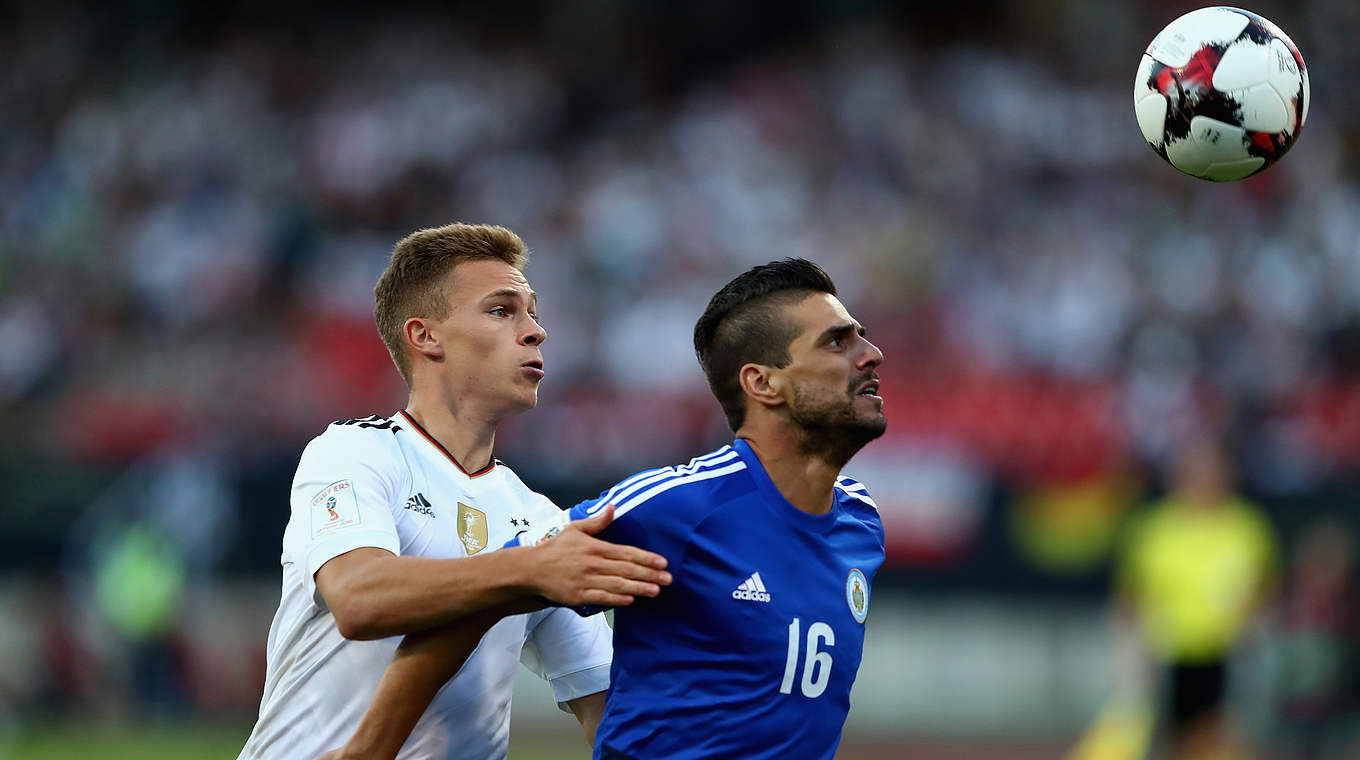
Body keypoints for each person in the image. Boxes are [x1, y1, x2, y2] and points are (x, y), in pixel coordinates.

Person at [326, 258, 888, 760]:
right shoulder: (677, 510)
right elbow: (480, 598)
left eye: (859, 337)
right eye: (837, 343)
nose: (872, 354)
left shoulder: (861, 522)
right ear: (763, 383)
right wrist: (370, 749)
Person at [238, 223, 672, 760]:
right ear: (425, 336)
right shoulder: (353, 451)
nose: (535, 330)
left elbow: (608, 710)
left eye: (532, 311)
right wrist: (528, 569)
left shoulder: (535, 517)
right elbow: (358, 598)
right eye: (501, 310)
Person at [1115, 437, 1278, 760]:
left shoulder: (1246, 526)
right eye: (1195, 471)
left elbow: (1266, 587)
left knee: (1223, 739)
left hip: (1227, 652)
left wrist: (1253, 624)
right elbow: (1133, 595)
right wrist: (1131, 652)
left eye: (1211, 471)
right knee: (1168, 740)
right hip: (1169, 651)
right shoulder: (1155, 528)